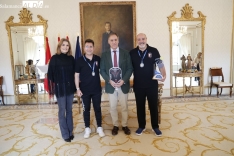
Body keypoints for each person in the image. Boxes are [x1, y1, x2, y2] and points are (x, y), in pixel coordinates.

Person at [130, 33, 166, 136]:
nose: (141, 41)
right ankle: (141, 126)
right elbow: (128, 68)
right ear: (136, 40)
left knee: (153, 106)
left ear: (146, 39)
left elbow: (160, 63)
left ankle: (155, 127)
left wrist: (164, 74)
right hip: (138, 85)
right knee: (140, 107)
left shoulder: (154, 51)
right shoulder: (132, 53)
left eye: (143, 39)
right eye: (139, 39)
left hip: (152, 85)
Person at [100, 33, 133, 136]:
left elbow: (130, 68)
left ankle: (124, 125)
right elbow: (102, 70)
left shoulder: (125, 53)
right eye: (111, 40)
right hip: (111, 85)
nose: (114, 42)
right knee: (113, 107)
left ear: (118, 40)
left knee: (124, 106)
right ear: (108, 42)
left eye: (115, 40)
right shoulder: (104, 55)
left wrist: (123, 80)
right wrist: (109, 80)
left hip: (123, 84)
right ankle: (115, 125)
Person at [75, 39, 105, 139]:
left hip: (96, 89)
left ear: (93, 48)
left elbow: (103, 71)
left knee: (98, 109)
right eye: (87, 46)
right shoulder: (79, 60)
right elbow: (76, 76)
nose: (89, 48)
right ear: (84, 48)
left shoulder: (98, 59)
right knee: (86, 110)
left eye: (91, 46)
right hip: (84, 90)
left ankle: (99, 127)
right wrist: (78, 88)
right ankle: (87, 128)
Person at [47, 38, 75, 142]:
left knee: (69, 110)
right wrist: (60, 82)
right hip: (60, 89)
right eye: (63, 45)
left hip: (70, 88)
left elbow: (74, 73)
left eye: (67, 45)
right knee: (62, 111)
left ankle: (70, 131)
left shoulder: (71, 58)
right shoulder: (54, 58)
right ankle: (65, 134)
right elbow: (50, 75)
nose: (65, 47)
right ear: (59, 46)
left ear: (69, 47)